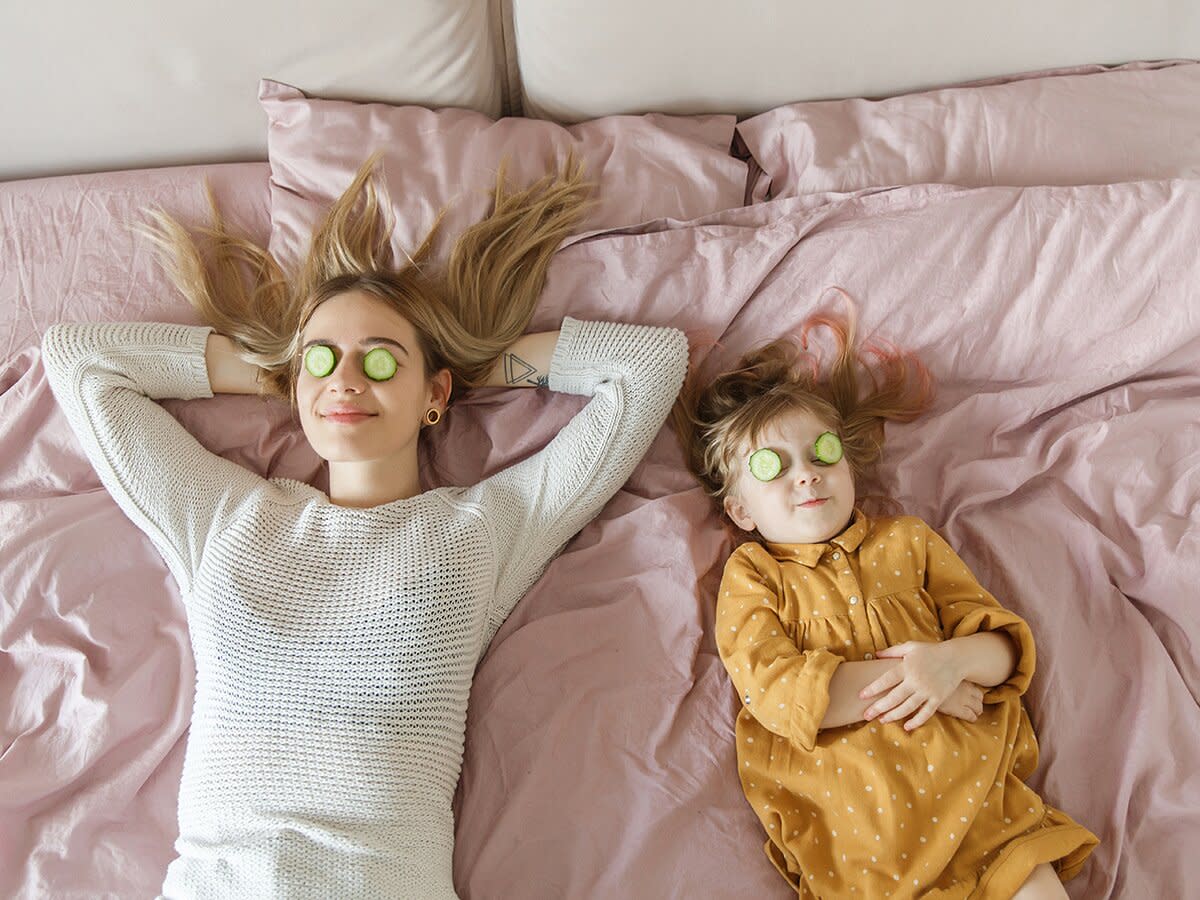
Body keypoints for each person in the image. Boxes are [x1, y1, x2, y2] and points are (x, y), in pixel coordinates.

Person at [41, 154, 688, 899]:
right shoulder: (226, 516)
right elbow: (81, 361)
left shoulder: (478, 531)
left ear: (433, 395)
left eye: (380, 362)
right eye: (324, 358)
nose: (345, 379)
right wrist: (274, 373)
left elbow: (647, 365)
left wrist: (473, 367)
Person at [671, 293, 1097, 898]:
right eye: (772, 465)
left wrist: (947, 664)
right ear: (739, 508)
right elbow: (775, 690)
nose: (806, 473)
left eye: (822, 452)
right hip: (869, 851)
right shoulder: (756, 576)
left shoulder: (909, 541)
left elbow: (1001, 647)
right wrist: (918, 687)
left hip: (986, 815)